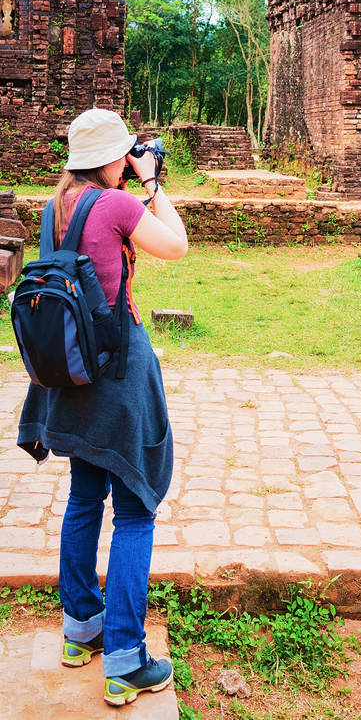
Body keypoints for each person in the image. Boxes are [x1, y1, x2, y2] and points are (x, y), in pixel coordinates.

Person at [16, 107, 188, 707]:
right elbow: (178, 245)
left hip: (70, 373)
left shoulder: (53, 207)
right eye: (125, 154)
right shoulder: (115, 204)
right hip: (118, 372)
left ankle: (79, 629)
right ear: (113, 158)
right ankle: (124, 659)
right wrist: (152, 182)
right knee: (137, 508)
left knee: (86, 496)